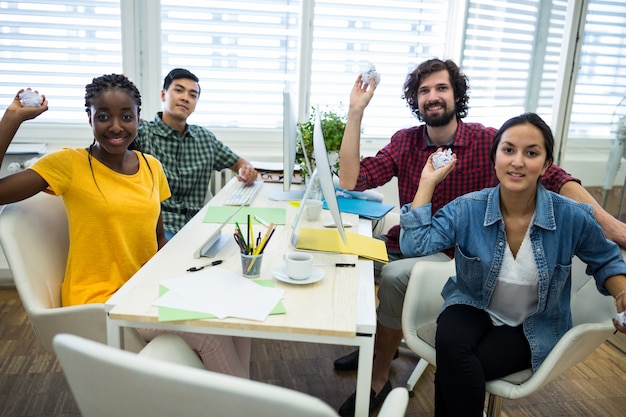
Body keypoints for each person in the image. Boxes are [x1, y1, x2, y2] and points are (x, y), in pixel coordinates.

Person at [335, 58, 626, 416]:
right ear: (415, 99)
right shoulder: (409, 147)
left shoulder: (491, 141)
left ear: (457, 94)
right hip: (447, 265)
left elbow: (560, 184)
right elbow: (352, 181)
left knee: (400, 286)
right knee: (351, 260)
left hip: (459, 256)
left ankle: (377, 376)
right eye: (424, 90)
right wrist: (355, 112)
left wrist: (614, 229)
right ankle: (383, 345)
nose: (433, 96)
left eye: (441, 87)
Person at [0, 74, 250, 378]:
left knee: (238, 316)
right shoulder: (69, 163)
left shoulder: (151, 167)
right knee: (211, 337)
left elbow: (158, 242)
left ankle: (232, 397)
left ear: (138, 119)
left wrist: (194, 279)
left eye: (126, 116)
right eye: (103, 116)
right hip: (102, 299)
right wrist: (13, 118)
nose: (116, 126)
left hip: (146, 288)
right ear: (89, 118)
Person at [398, 112, 626, 416]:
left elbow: (607, 260)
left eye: (531, 153)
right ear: (495, 159)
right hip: (472, 303)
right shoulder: (469, 208)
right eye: (508, 150)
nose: (518, 161)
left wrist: (622, 295)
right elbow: (414, 245)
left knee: (458, 369)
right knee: (453, 350)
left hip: (533, 322)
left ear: (546, 165)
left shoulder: (572, 216)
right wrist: (427, 182)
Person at [134, 68, 258, 239]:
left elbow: (238, 162)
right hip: (159, 228)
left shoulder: (205, 138)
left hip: (198, 225)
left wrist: (247, 169)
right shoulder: (143, 132)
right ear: (163, 95)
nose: (185, 97)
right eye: (179, 90)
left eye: (193, 95)